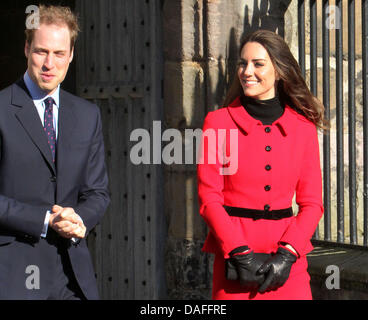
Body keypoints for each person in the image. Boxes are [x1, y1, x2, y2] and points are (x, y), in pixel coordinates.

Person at [197, 29, 326, 300]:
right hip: (235, 262)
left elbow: (312, 203)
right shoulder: (218, 123)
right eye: (242, 63)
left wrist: (288, 253)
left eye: (258, 64)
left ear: (278, 70)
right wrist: (239, 252)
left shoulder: (303, 128)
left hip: (288, 262)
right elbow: (209, 198)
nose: (247, 71)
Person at [0, 5, 110, 299]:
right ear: (26, 49)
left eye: (59, 53)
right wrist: (45, 220)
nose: (49, 63)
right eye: (41, 51)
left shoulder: (88, 115)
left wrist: (79, 219)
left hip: (73, 275)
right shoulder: (0, 110)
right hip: (14, 274)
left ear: (71, 55)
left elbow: (97, 192)